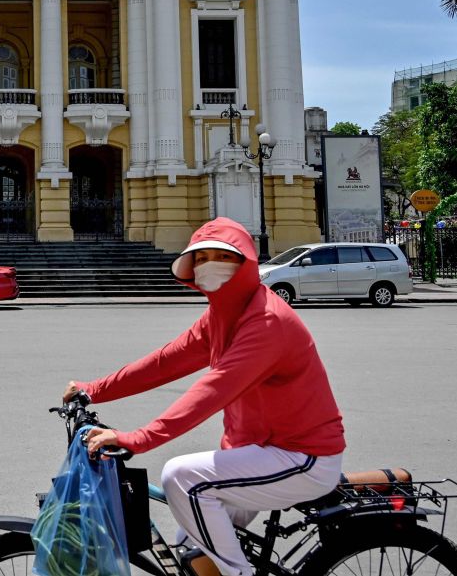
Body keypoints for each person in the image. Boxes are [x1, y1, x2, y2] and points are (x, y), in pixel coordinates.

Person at [64, 217, 345, 576]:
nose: (207, 264)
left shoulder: (266, 321)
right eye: (200, 257)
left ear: (244, 262)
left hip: (301, 456)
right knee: (188, 559)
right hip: (254, 453)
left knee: (182, 478)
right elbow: (164, 363)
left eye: (220, 255)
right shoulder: (220, 316)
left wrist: (137, 438)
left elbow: (213, 390)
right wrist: (93, 390)